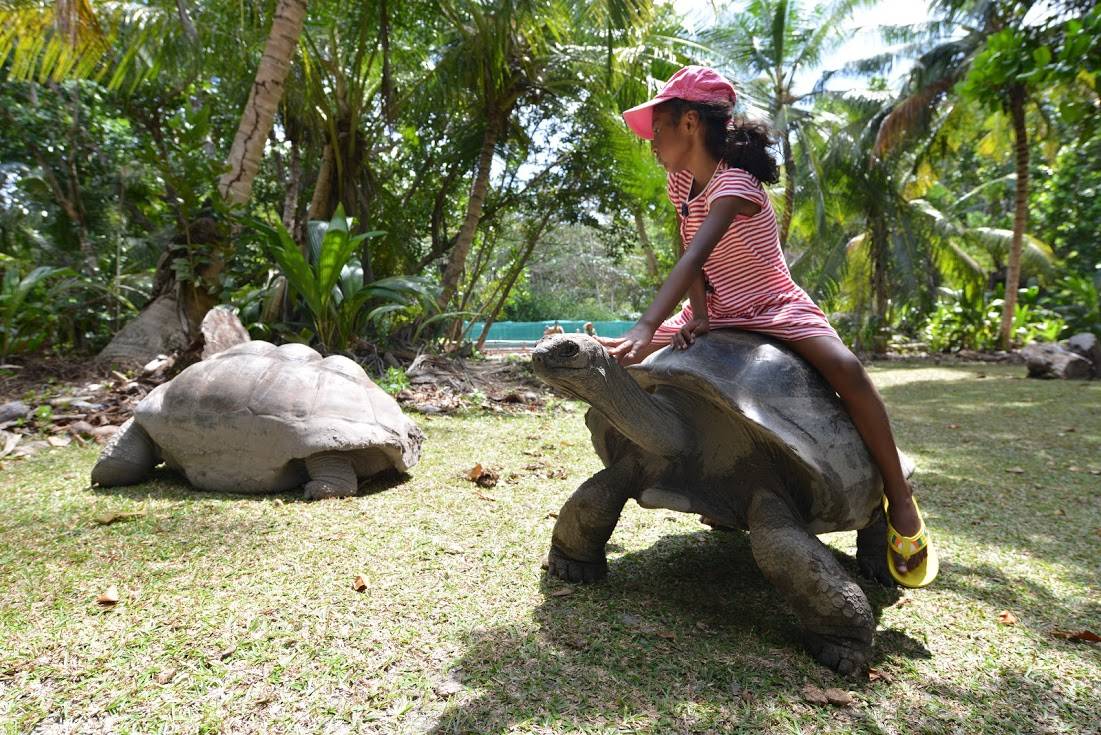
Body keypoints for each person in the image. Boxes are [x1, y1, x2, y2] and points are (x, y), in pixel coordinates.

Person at [599, 65, 937, 588]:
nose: (652, 142)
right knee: (621, 360)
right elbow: (689, 249)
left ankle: (899, 495)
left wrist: (649, 323)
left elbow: (697, 251)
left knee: (846, 370)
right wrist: (700, 312)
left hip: (770, 306)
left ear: (689, 123)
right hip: (718, 309)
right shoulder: (682, 181)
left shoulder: (737, 184)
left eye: (658, 128)